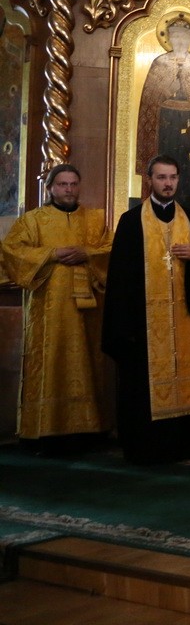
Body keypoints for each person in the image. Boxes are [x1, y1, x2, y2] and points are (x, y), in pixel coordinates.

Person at [102, 155, 190, 464]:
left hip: (185, 317)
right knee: (142, 383)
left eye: (173, 177)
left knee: (188, 376)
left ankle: (188, 444)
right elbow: (120, 276)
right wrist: (124, 326)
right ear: (150, 180)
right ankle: (147, 448)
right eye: (161, 177)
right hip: (143, 323)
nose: (168, 183)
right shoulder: (131, 221)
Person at [1, 164, 113, 455]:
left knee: (87, 364)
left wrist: (87, 253)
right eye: (63, 184)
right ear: (50, 188)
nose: (69, 189)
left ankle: (88, 431)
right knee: (51, 363)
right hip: (47, 311)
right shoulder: (33, 221)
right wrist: (52, 254)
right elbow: (12, 252)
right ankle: (44, 432)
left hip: (88, 311)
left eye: (74, 184)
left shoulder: (95, 219)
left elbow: (111, 250)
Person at [135, 13, 190, 211]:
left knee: (188, 173)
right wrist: (166, 90)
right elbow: (149, 101)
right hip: (165, 126)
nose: (180, 41)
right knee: (163, 165)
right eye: (176, 36)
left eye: (184, 37)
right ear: (169, 38)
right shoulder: (159, 64)